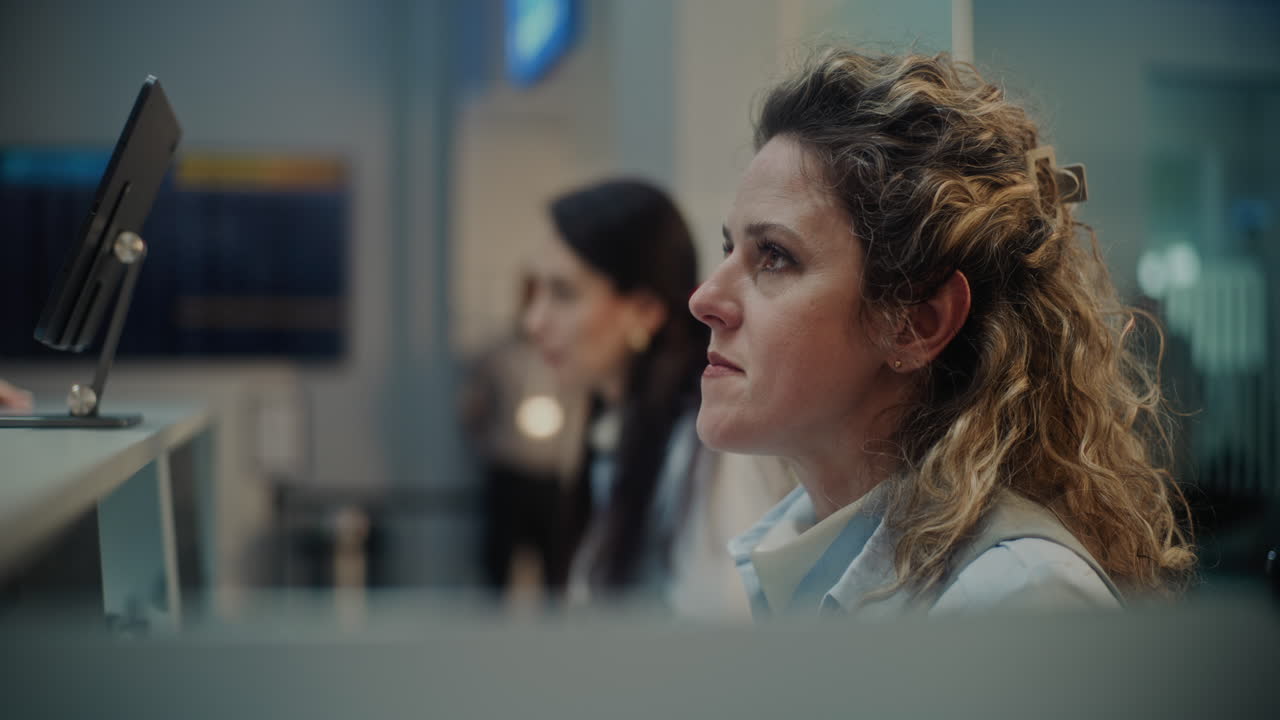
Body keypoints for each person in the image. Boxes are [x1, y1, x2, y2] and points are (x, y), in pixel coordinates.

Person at [688, 49, 1196, 619]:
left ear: (916, 323)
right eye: (730, 249)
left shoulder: (1019, 596)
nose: (704, 300)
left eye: (774, 256)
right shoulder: (787, 567)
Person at [523, 178, 785, 614]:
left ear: (644, 310)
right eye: (535, 292)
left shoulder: (712, 445)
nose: (534, 321)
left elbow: (723, 623)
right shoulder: (617, 428)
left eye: (563, 294)